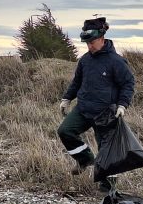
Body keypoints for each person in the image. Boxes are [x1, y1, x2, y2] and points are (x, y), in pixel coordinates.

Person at [57, 17, 135, 191]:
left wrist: (122, 105)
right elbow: (76, 82)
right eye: (86, 43)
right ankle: (85, 159)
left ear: (102, 38)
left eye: (92, 42)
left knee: (106, 150)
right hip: (83, 108)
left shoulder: (116, 61)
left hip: (106, 113)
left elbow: (128, 84)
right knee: (65, 131)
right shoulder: (85, 60)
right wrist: (67, 98)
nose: (89, 46)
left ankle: (108, 186)